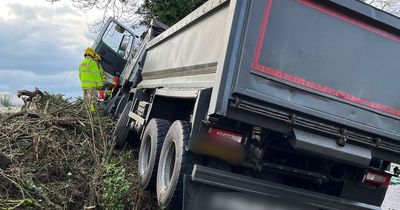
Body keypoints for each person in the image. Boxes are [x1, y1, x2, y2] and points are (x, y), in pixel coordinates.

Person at [79, 47, 103, 112]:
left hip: (84, 86)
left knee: (86, 100)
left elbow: (80, 76)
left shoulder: (81, 63)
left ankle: (86, 113)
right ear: (92, 54)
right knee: (92, 101)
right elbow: (96, 75)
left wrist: (83, 82)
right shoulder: (92, 63)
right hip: (91, 86)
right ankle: (92, 114)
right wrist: (100, 85)